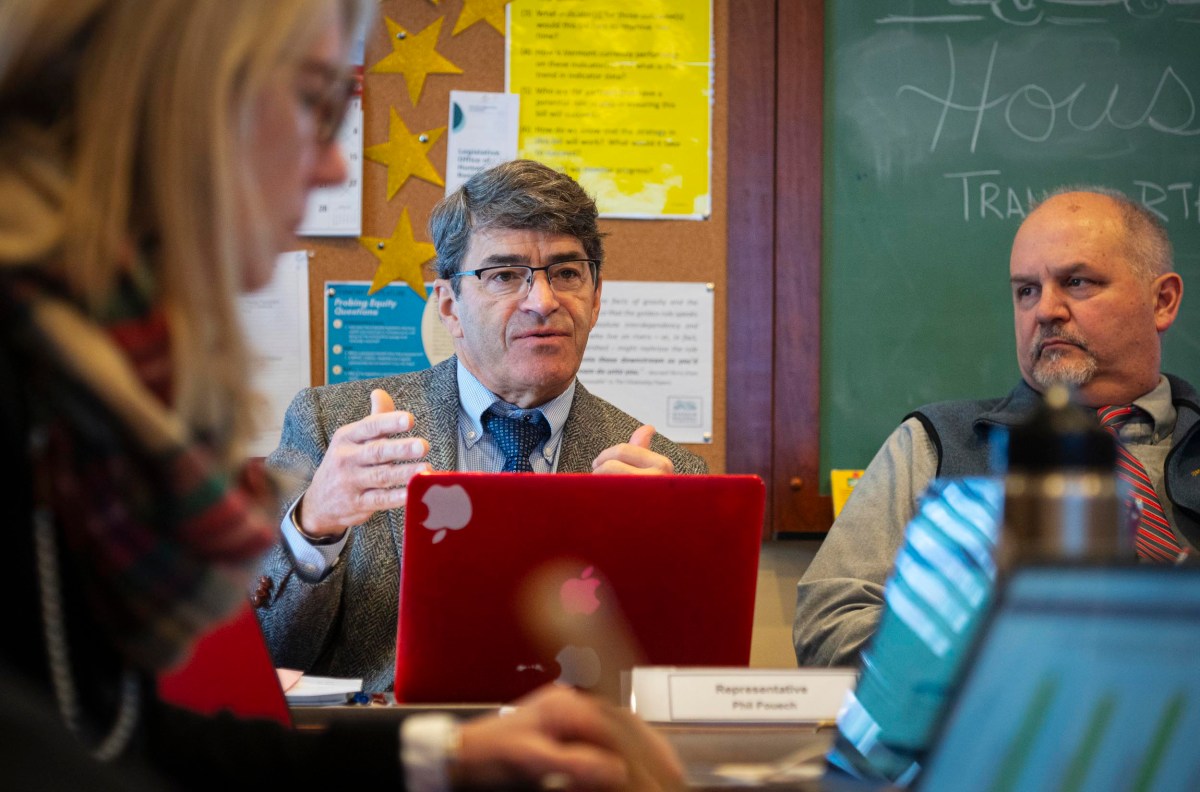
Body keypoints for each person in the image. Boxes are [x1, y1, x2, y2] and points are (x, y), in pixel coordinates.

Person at [0, 1, 684, 789]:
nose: (334, 168)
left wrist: (446, 759)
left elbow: (130, 730)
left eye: (566, 272)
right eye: (315, 105)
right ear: (176, 103)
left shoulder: (114, 381)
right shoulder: (303, 418)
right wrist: (312, 524)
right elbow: (222, 680)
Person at [255, 159, 708, 691]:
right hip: (390, 755)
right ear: (449, 305)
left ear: (596, 298)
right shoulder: (332, 426)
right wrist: (315, 524)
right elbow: (260, 651)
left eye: (566, 273)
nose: (542, 302)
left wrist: (664, 560)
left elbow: (686, 685)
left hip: (574, 759)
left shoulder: (668, 474)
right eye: (504, 275)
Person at [793, 187, 1199, 667]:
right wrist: (994, 643)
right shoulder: (935, 445)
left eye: (1077, 282)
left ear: (1163, 301)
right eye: (1027, 290)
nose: (1045, 310)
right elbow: (830, 623)